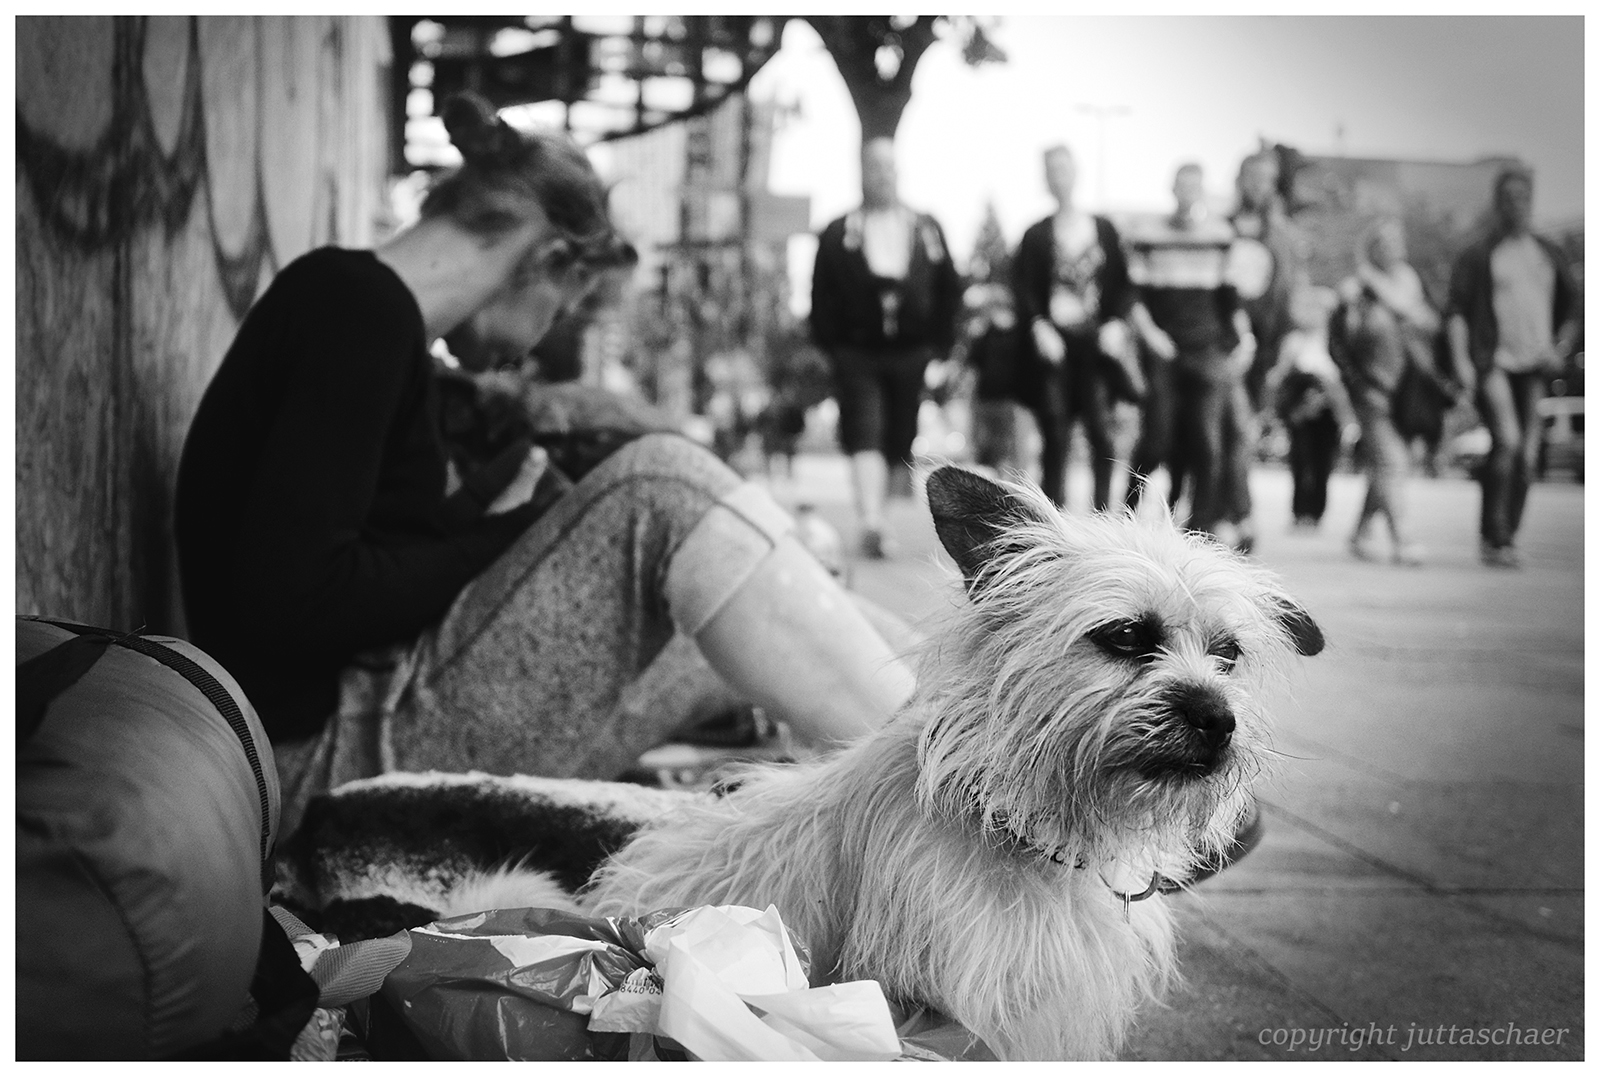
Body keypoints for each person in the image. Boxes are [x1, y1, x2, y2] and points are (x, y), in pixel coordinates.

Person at [175, 94, 917, 837]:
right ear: (548, 258)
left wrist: (506, 526)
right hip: (319, 765)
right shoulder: (356, 312)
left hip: (356, 730)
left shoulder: (364, 315)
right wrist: (501, 540)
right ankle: (937, 790)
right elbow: (295, 603)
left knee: (747, 613)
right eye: (561, 310)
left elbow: (346, 556)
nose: (537, 343)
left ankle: (959, 720)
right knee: (662, 487)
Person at [810, 136, 963, 558]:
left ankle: (884, 518)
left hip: (913, 353)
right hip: (857, 352)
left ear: (898, 172)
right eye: (872, 167)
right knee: (865, 429)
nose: (881, 176)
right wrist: (832, 349)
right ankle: (871, 521)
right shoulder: (839, 231)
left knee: (899, 436)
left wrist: (942, 351)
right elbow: (820, 293)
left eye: (887, 167)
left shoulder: (926, 228)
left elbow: (950, 290)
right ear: (861, 174)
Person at [1445, 166, 1580, 568]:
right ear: (1498, 202)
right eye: (1508, 197)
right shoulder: (1480, 253)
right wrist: (1463, 362)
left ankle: (1506, 534)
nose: (1516, 204)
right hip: (1495, 361)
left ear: (1531, 199)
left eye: (1523, 197)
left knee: (1527, 454)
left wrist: (1562, 346)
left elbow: (1575, 306)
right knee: (1508, 441)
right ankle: (1496, 535)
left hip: (1537, 364)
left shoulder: (1548, 252)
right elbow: (1456, 312)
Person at [1123, 162, 1255, 542]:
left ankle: (1201, 529)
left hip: (1208, 349)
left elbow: (1230, 297)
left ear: (1202, 190)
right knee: (1157, 438)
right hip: (1165, 349)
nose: (1187, 192)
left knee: (1207, 443)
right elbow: (1135, 296)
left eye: (1194, 186)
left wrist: (1244, 337)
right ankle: (1127, 513)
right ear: (1172, 188)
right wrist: (1151, 337)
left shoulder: (1219, 234)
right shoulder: (1148, 234)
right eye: (1181, 185)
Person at [1010, 144, 1140, 511]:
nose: (1058, 176)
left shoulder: (1104, 230)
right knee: (1055, 429)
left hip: (1096, 347)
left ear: (1076, 172)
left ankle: (1104, 517)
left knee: (1101, 430)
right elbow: (1022, 289)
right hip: (1055, 347)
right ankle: (1053, 521)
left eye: (1064, 168)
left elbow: (1125, 285)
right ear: (1045, 178)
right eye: (1051, 169)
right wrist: (1039, 326)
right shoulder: (1035, 234)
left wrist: (1116, 323)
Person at [1332, 219, 1438, 565]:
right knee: (1393, 463)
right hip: (1373, 393)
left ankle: (1360, 533)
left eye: (1396, 241)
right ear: (1372, 248)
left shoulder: (1410, 283)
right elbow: (1339, 344)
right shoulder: (1355, 292)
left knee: (1384, 467)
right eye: (1384, 242)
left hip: (1408, 392)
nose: (1392, 248)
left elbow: (1427, 324)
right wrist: (1358, 385)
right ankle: (1403, 539)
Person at [1265, 287, 1357, 529]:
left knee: (1323, 462)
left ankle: (1315, 511)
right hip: (1300, 409)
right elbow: (1280, 375)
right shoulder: (1294, 341)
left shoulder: (1336, 341)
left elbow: (1344, 377)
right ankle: (1299, 510)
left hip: (1328, 411)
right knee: (1300, 460)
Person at [963, 284, 1026, 476]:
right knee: (984, 447)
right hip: (985, 400)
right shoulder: (984, 334)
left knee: (1007, 449)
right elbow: (973, 366)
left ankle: (1006, 484)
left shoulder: (1020, 334)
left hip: (1009, 401)